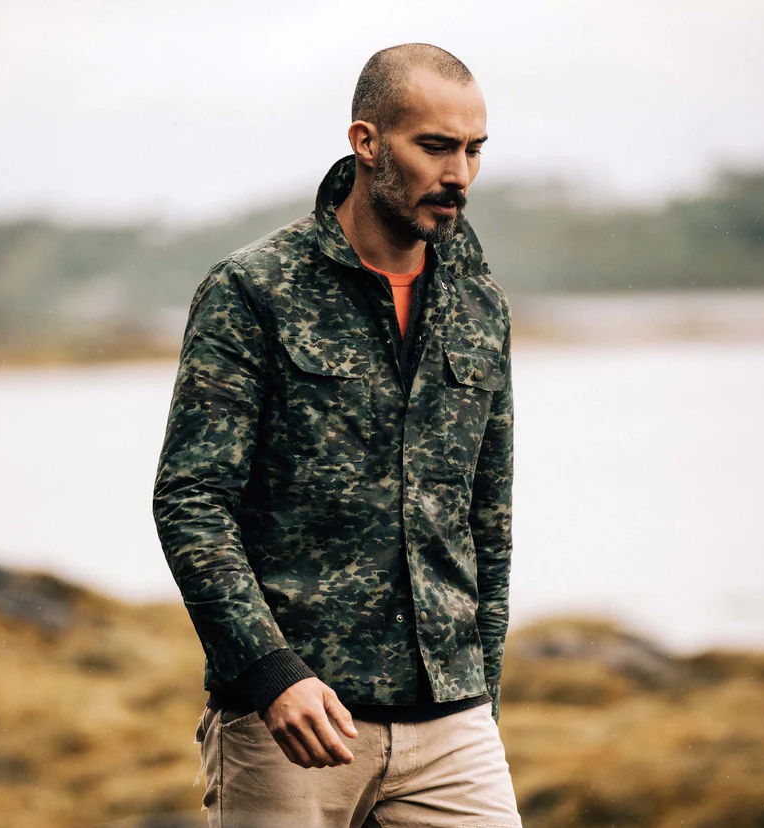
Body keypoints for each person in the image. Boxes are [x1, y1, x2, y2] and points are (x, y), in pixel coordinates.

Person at [153, 42, 522, 828]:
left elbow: (488, 518)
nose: (458, 174)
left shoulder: (479, 304)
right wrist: (270, 673)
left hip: (452, 725)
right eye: (435, 146)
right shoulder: (253, 290)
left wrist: (481, 696)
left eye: (473, 149)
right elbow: (192, 501)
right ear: (367, 142)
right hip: (290, 724)